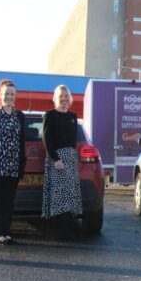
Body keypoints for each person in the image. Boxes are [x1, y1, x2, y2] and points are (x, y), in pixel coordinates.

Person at [0, 79, 26, 245]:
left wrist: (21, 163)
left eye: (12, 94)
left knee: (8, 201)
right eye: (6, 94)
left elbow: (21, 141)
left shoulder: (20, 116)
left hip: (13, 165)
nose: (9, 96)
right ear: (0, 96)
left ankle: (6, 232)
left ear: (15, 97)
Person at [42, 85, 83, 224]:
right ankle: (59, 227)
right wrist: (56, 159)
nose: (64, 99)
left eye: (66, 96)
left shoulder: (73, 116)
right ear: (55, 98)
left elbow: (73, 141)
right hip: (57, 159)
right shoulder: (50, 115)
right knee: (59, 196)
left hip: (70, 159)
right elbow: (47, 140)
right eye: (61, 96)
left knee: (69, 196)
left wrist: (73, 159)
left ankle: (68, 227)